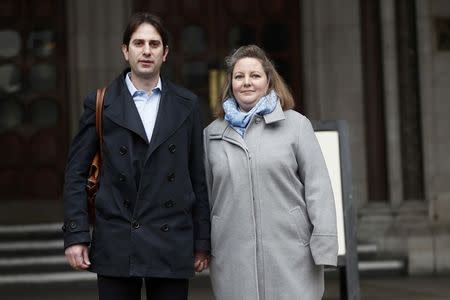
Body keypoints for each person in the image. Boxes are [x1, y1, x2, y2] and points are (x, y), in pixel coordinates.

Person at [62, 12, 210, 300]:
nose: (146, 51)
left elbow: (197, 177)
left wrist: (202, 241)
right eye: (138, 43)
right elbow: (76, 174)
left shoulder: (187, 105)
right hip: (117, 238)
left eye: (154, 44)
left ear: (165, 53)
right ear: (125, 50)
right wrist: (76, 234)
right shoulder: (100, 103)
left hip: (172, 239)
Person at [203, 45, 338, 300]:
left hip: (292, 255)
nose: (247, 83)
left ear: (268, 80)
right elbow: (205, 196)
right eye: (239, 76)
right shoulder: (211, 134)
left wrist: (324, 245)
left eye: (255, 76)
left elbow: (318, 188)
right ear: (229, 83)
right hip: (232, 256)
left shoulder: (297, 126)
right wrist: (203, 245)